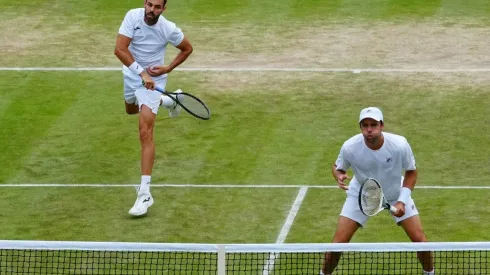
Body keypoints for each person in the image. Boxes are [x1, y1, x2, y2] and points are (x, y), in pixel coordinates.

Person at [321, 107, 434, 275]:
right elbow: (338, 167)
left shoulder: (399, 145)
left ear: (381, 125)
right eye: (365, 125)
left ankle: (430, 274)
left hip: (395, 193)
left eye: (373, 124)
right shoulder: (350, 147)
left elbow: (412, 171)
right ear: (360, 127)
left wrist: (402, 200)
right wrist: (338, 175)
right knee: (337, 245)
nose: (369, 129)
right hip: (362, 195)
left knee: (421, 243)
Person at [114, 0, 193, 216]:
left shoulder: (167, 28)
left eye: (157, 7)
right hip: (133, 76)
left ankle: (145, 194)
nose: (152, 10)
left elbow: (187, 48)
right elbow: (119, 49)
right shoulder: (132, 16)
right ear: (144, 3)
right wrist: (142, 74)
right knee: (131, 110)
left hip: (154, 82)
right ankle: (172, 100)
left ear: (163, 9)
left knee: (145, 131)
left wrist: (167, 67)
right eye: (149, 4)